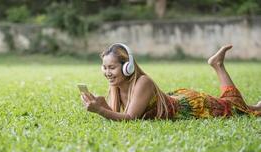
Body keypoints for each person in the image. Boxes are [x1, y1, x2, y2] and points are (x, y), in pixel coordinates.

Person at [81, 43, 261, 121]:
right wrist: (103, 106)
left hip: (193, 105)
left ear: (128, 66)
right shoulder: (116, 87)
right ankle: (256, 105)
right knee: (241, 107)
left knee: (237, 108)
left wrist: (101, 111)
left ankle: (218, 64)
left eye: (111, 67)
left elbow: (129, 118)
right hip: (177, 98)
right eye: (104, 67)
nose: (107, 72)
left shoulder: (143, 82)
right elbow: (120, 116)